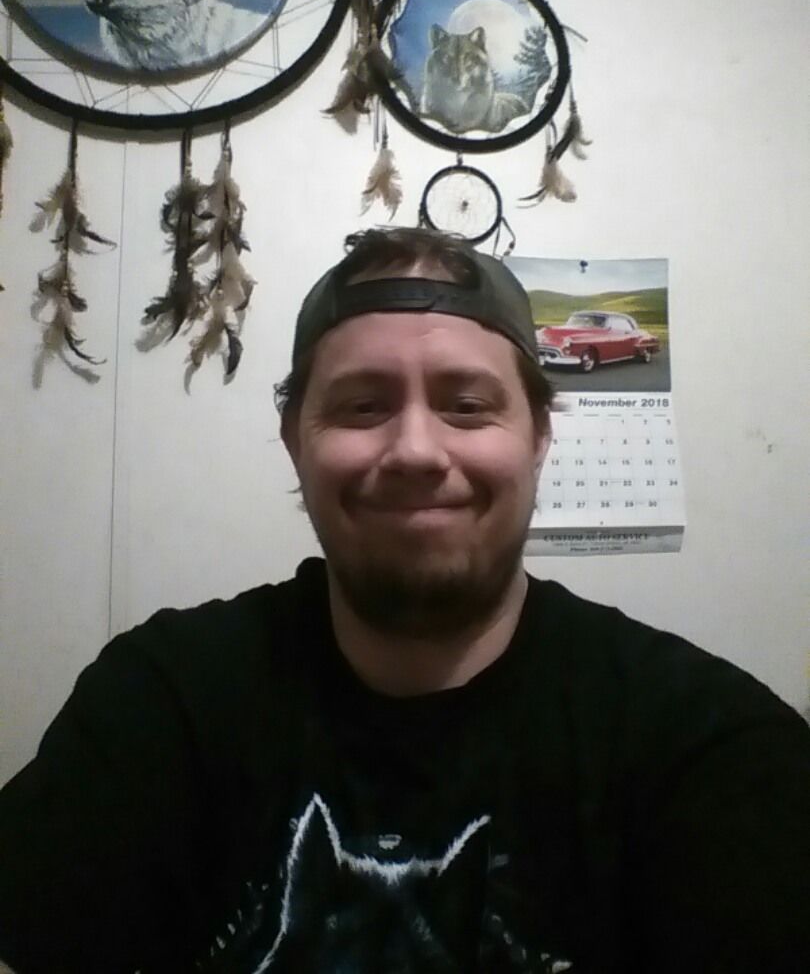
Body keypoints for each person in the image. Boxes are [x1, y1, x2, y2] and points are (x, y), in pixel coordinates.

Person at [0, 226, 808, 973]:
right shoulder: (162, 702)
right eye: (363, 405)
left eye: (467, 406)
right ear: (295, 442)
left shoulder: (707, 746)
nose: (417, 450)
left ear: (539, 437)